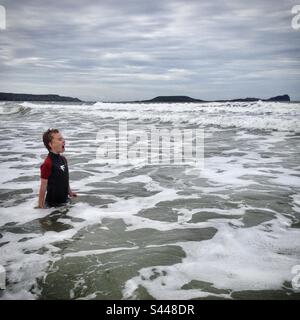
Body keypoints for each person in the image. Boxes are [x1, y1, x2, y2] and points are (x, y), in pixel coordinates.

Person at [38, 128, 77, 208]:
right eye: (59, 139)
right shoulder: (48, 163)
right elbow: (43, 186)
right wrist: (41, 205)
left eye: (62, 138)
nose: (63, 141)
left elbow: (65, 178)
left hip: (64, 201)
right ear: (51, 144)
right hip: (52, 206)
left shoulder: (63, 159)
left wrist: (69, 192)